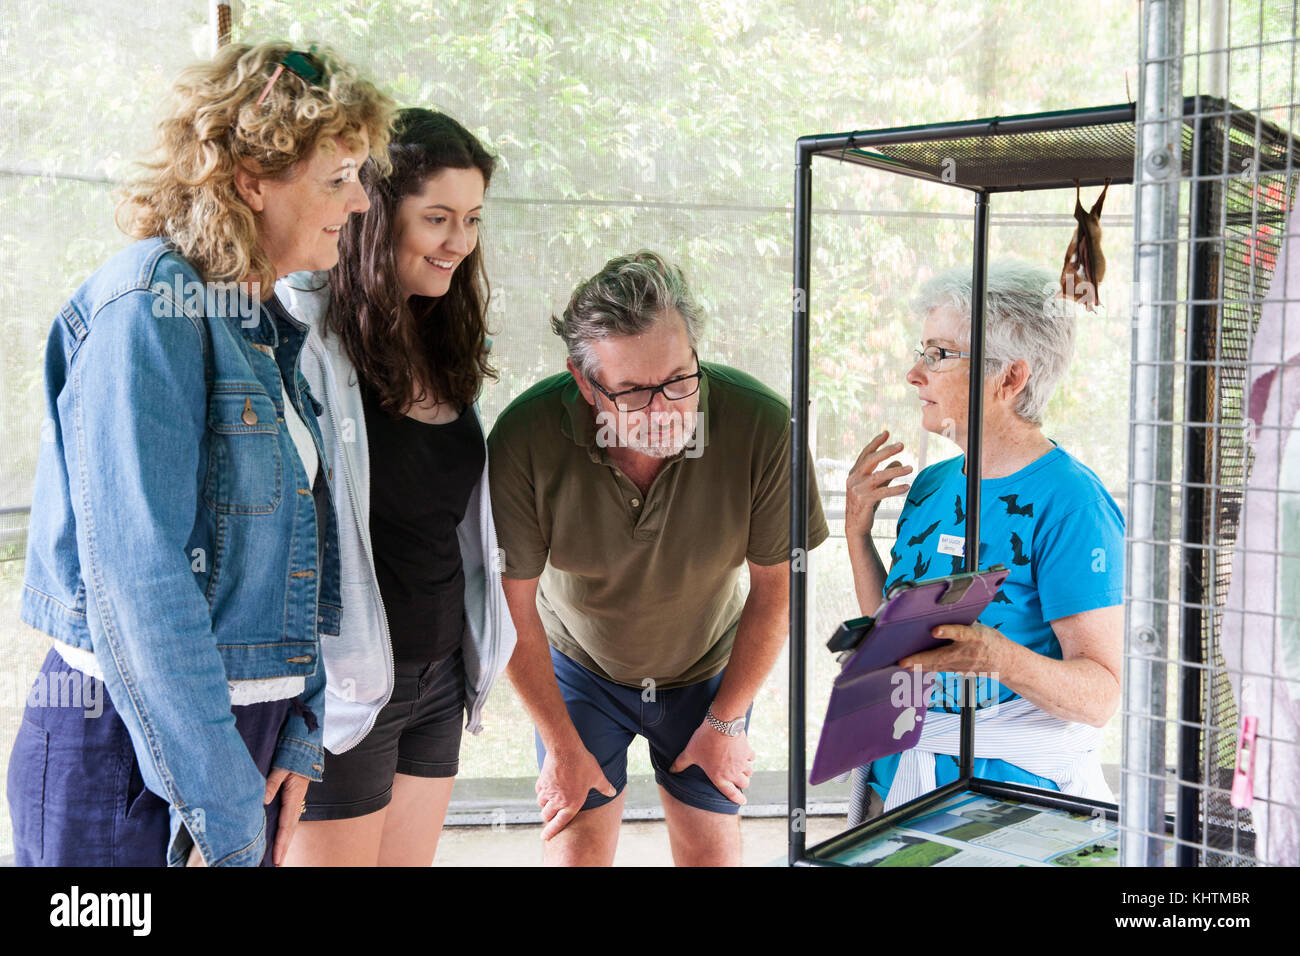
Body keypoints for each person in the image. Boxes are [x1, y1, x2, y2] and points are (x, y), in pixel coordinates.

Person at [5, 41, 395, 866]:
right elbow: (142, 587)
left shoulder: (259, 321)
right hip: (126, 745)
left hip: (231, 743)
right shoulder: (149, 305)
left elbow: (300, 560)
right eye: (337, 179)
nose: (360, 202)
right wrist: (224, 816)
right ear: (252, 179)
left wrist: (297, 731)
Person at [488, 250, 829, 866]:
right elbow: (510, 610)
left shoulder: (765, 426)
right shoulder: (523, 438)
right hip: (580, 667)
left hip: (707, 667)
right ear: (584, 382)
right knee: (576, 853)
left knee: (711, 853)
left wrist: (725, 725)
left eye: (678, 380)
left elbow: (778, 593)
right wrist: (561, 747)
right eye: (633, 392)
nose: (665, 410)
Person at [275, 109, 515, 866]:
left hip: (440, 677)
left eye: (472, 220)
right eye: (437, 218)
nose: (458, 243)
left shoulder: (441, 334)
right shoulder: (301, 329)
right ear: (376, 215)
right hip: (344, 691)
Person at [844, 259, 1123, 811]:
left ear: (1011, 378)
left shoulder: (1072, 503)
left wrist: (1001, 659)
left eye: (939, 354)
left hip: (1001, 804)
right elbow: (897, 637)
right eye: (922, 351)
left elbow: (1100, 696)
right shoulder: (930, 485)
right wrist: (857, 534)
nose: (914, 373)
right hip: (895, 780)